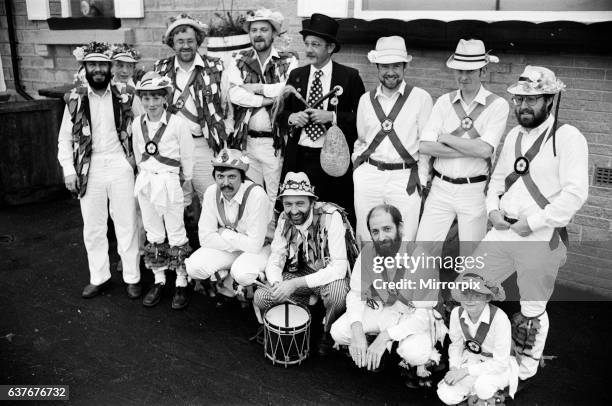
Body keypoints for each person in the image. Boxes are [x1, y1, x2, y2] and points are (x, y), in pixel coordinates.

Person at [474, 66, 588, 381]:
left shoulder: (568, 137)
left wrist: (535, 222)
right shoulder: (513, 135)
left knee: (532, 307)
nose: (524, 106)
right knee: (471, 285)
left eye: (533, 100)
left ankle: (526, 366)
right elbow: (496, 182)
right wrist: (492, 211)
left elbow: (575, 194)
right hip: (502, 231)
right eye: (520, 99)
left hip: (541, 236)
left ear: (550, 100)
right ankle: (482, 346)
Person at [58, 41, 140, 299]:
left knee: (126, 223)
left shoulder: (126, 94)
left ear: (109, 68)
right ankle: (99, 277)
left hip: (119, 164)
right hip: (88, 168)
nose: (97, 70)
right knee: (93, 227)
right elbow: (64, 139)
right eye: (92, 65)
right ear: (85, 68)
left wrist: (135, 161)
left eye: (102, 65)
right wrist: (69, 170)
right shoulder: (74, 98)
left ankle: (132, 277)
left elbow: (142, 127)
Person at [330, 204, 444, 378]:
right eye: (375, 232)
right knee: (339, 332)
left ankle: (406, 358)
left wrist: (385, 336)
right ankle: (370, 346)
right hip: (382, 308)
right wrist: (357, 331)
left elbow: (421, 318)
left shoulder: (421, 259)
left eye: (387, 229)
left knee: (415, 353)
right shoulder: (368, 252)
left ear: (401, 228)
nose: (381, 237)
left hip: (410, 315)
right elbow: (355, 293)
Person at [253, 172, 358, 355]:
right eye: (288, 204)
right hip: (296, 274)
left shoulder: (331, 217)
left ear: (311, 201)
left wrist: (293, 285)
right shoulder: (284, 219)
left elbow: (339, 268)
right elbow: (276, 257)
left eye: (300, 203)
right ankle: (306, 306)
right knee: (261, 297)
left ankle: (327, 330)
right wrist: (278, 284)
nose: (293, 210)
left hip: (326, 278)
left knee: (337, 293)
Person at [417, 39, 509, 246]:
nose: (463, 76)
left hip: (474, 190)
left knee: (472, 256)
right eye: (459, 70)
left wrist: (447, 138)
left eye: (470, 71)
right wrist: (472, 148)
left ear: (483, 72)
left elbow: (486, 150)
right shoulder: (443, 101)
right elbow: (425, 146)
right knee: (423, 250)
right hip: (440, 187)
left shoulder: (498, 105)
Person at [277, 13, 365, 224]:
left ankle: (336, 253)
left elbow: (363, 119)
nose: (309, 50)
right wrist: (292, 118)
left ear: (330, 48)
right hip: (299, 157)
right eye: (307, 44)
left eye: (315, 44)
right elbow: (280, 114)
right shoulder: (296, 75)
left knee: (334, 212)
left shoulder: (349, 77)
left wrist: (332, 116)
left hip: (333, 159)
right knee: (298, 211)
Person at [353, 37, 432, 242]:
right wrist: (358, 171)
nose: (391, 71)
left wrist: (421, 178)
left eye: (396, 65)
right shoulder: (365, 100)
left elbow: (426, 144)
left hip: (405, 178)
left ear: (405, 67)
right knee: (367, 235)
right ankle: (369, 274)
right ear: (377, 67)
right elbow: (361, 139)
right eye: (385, 66)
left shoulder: (421, 98)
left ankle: (401, 275)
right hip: (370, 175)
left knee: (404, 237)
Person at [154, 14, 233, 204]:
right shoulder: (160, 69)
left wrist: (224, 135)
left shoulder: (215, 67)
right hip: (171, 146)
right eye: (180, 41)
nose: (185, 46)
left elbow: (227, 105)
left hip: (203, 146)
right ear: (172, 43)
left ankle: (209, 234)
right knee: (174, 201)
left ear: (198, 41)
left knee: (211, 198)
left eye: (190, 40)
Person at [132, 71, 194, 309]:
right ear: (141, 99)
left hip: (170, 183)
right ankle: (159, 279)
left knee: (176, 231)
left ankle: (181, 281)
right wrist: (143, 175)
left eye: (156, 98)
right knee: (153, 232)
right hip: (147, 181)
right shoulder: (137, 123)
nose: (151, 103)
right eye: (146, 98)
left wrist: (185, 181)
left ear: (165, 98)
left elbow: (187, 155)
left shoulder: (178, 124)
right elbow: (139, 154)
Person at [227, 8, 298, 208]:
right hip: (246, 140)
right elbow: (235, 94)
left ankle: (276, 235)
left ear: (273, 33)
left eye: (264, 29)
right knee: (252, 196)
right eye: (254, 29)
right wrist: (267, 100)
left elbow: (287, 90)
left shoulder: (288, 60)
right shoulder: (238, 59)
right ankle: (257, 237)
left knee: (276, 194)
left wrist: (257, 88)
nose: (258, 34)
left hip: (274, 142)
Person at [185, 149, 271, 297]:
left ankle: (254, 287)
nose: (225, 183)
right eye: (220, 176)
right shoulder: (211, 192)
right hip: (237, 248)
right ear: (214, 177)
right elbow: (205, 238)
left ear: (242, 177)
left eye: (232, 176)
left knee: (242, 273)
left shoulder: (257, 195)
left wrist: (224, 232)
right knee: (193, 267)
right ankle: (231, 275)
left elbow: (255, 245)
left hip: (262, 247)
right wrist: (241, 242)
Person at [437, 273, 518, 405]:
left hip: (497, 365)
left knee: (483, 387)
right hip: (472, 360)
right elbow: (456, 345)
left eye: (477, 295)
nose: (470, 300)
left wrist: (465, 371)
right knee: (446, 394)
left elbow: (500, 363)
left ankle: (491, 393)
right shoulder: (456, 313)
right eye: (466, 294)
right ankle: (473, 394)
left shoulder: (499, 318)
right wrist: (454, 369)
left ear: (487, 298)